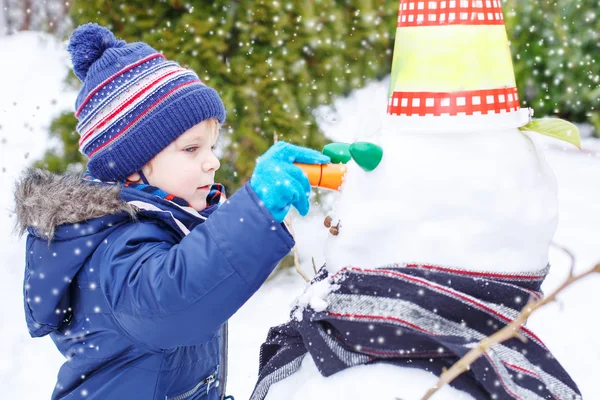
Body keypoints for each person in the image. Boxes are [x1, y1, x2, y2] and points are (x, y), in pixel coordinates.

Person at [13, 23, 329, 400]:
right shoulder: (112, 246)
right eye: (191, 149)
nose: (212, 162)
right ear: (131, 164)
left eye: (211, 147)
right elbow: (173, 299)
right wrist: (256, 209)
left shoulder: (165, 225)